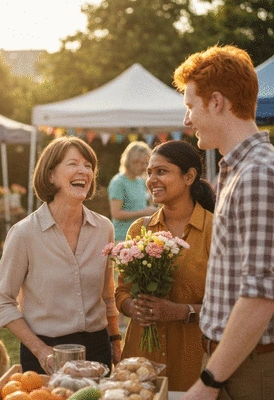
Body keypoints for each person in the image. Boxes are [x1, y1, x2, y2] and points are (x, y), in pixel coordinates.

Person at [173, 45, 274, 400]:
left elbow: (261, 295)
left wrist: (209, 382)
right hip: (232, 359)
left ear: (216, 102)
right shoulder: (239, 169)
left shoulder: (257, 174)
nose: (187, 120)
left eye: (190, 106)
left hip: (249, 367)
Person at [0, 136, 121, 374]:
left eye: (88, 166)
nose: (83, 171)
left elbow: (107, 295)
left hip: (97, 349)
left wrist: (114, 341)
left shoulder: (104, 229)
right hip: (46, 352)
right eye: (73, 164)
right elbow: (2, 301)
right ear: (50, 175)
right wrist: (40, 350)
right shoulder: (24, 233)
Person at [115, 140, 216, 391]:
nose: (151, 180)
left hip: (195, 362)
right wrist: (133, 307)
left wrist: (181, 312)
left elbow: (231, 306)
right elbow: (122, 292)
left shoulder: (215, 230)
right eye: (149, 172)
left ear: (189, 176)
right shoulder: (139, 229)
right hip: (141, 364)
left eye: (161, 171)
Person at [107, 141, 157, 242]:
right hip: (123, 238)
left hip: (139, 237)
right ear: (130, 161)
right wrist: (143, 212)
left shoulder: (140, 181)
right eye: (141, 163)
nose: (144, 167)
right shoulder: (119, 182)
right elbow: (116, 213)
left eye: (146, 163)